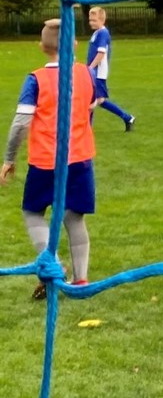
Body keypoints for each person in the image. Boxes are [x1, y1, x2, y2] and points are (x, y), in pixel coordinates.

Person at [1, 19, 101, 298]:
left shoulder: (36, 79)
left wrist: (9, 158)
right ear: (76, 45)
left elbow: (21, 123)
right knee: (74, 217)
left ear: (41, 47)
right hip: (80, 158)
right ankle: (81, 280)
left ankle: (54, 265)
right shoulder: (85, 74)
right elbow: (92, 103)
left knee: (33, 212)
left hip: (46, 160)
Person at [86, 7, 135, 131]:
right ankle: (127, 118)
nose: (91, 23)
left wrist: (90, 68)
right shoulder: (97, 32)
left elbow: (101, 53)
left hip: (97, 73)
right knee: (99, 100)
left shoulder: (103, 33)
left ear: (102, 20)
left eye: (94, 20)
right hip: (95, 72)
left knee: (91, 100)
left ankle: (87, 129)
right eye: (90, 20)